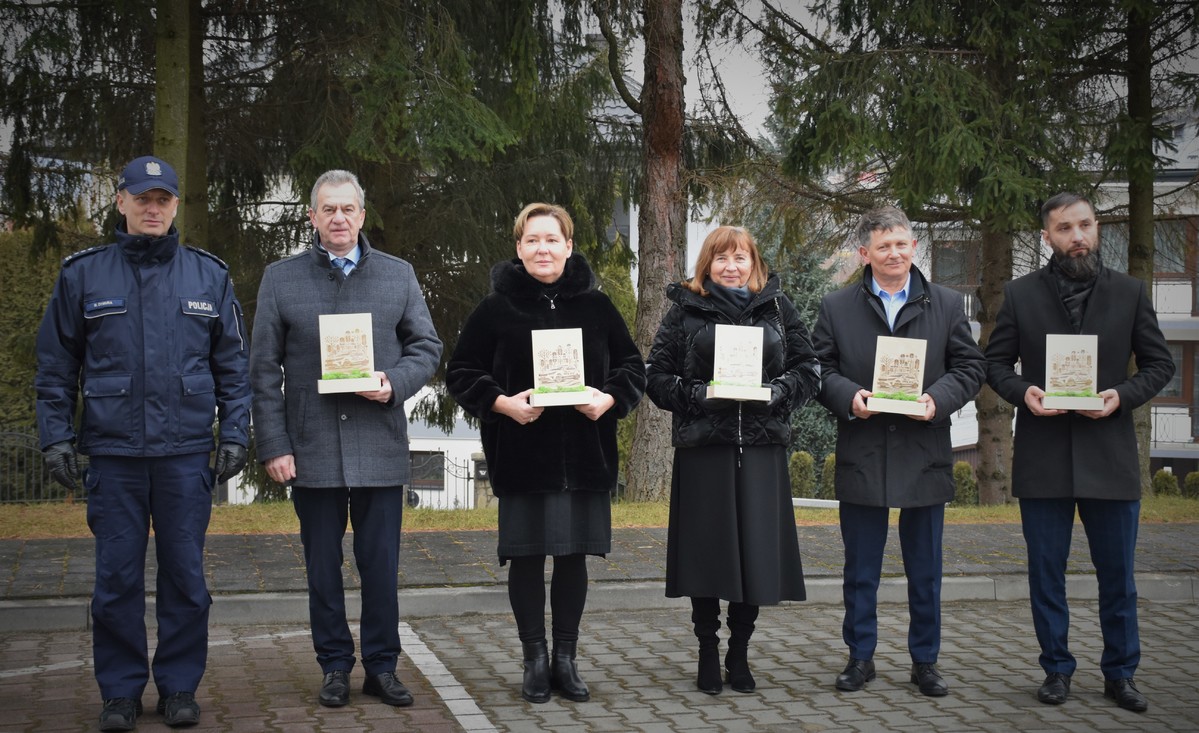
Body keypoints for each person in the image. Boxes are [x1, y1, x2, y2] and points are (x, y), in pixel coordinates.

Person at [35, 155, 251, 731]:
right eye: (142, 198)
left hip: (184, 456)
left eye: (163, 199)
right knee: (116, 581)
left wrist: (235, 433)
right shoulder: (83, 274)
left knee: (185, 577)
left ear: (176, 205)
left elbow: (233, 368)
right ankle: (120, 693)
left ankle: (179, 688)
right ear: (121, 201)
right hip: (114, 454)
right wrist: (55, 438)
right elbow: (55, 367)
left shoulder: (209, 275)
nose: (153, 208)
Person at [249, 170, 442, 710]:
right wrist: (274, 444)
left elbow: (426, 347)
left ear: (362, 215)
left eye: (348, 209)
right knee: (321, 568)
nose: (338, 218)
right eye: (327, 209)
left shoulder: (398, 275)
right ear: (312, 217)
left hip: (380, 444)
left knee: (380, 566)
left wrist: (394, 383)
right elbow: (263, 369)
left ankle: (382, 667)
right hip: (310, 448)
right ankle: (334, 665)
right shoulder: (280, 279)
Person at [446, 202, 645, 704]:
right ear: (518, 248)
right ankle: (534, 659)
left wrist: (609, 399)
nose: (542, 249)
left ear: (569, 246)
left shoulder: (597, 307)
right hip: (523, 457)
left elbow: (631, 367)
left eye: (552, 240)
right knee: (528, 559)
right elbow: (462, 371)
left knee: (574, 558)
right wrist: (501, 403)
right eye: (532, 240)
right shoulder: (495, 309)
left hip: (585, 458)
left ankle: (566, 658)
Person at [984, 192, 1173, 712]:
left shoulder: (1131, 292)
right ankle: (1057, 670)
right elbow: (995, 365)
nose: (1077, 237)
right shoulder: (1021, 295)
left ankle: (1121, 673)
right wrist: (1025, 392)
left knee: (1119, 578)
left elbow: (1159, 365)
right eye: (1065, 228)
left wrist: (1121, 396)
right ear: (1047, 236)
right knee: (1047, 577)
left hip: (1109, 457)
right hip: (1044, 457)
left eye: (1085, 225)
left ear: (1098, 228)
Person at [812, 206, 985, 698]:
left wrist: (938, 401)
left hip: (923, 450)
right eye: (883, 246)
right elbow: (819, 369)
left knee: (925, 571)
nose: (894, 253)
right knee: (860, 569)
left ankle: (925, 662)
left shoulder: (949, 304)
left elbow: (971, 368)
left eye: (902, 244)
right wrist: (850, 396)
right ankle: (860, 658)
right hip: (864, 451)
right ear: (864, 253)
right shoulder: (837, 306)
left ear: (914, 248)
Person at [644, 226, 821, 695]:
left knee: (756, 559)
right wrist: (701, 395)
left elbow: (809, 369)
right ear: (707, 266)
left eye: (740, 257)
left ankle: (739, 654)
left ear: (754, 264)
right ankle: (706, 650)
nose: (731, 265)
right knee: (708, 557)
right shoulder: (684, 310)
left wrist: (777, 392)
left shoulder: (778, 309)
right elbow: (656, 377)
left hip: (762, 449)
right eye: (721, 258)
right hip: (706, 449)